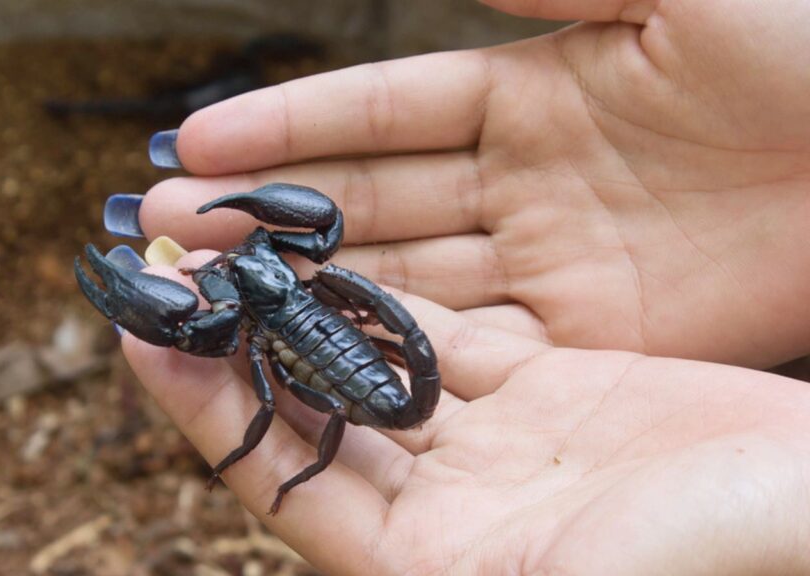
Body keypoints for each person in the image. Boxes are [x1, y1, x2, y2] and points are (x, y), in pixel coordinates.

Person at [114, 1, 810, 573]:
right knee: (308, 379)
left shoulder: (263, 308)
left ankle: (299, 467)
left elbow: (268, 376)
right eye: (237, 261)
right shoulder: (300, 287)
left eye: (246, 252)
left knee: (287, 395)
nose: (239, 254)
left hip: (369, 389)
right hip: (348, 355)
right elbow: (330, 252)